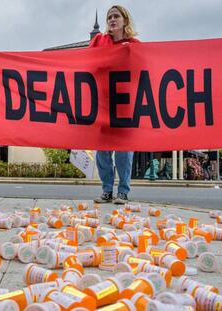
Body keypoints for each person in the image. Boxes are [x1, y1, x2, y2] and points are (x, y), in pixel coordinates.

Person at [91, 5, 139, 204]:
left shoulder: (135, 46)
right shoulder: (99, 41)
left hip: (125, 104)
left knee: (123, 152)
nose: (112, 19)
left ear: (124, 20)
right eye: (109, 17)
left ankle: (123, 191)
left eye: (116, 16)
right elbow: (89, 64)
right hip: (103, 103)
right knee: (102, 151)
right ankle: (107, 190)